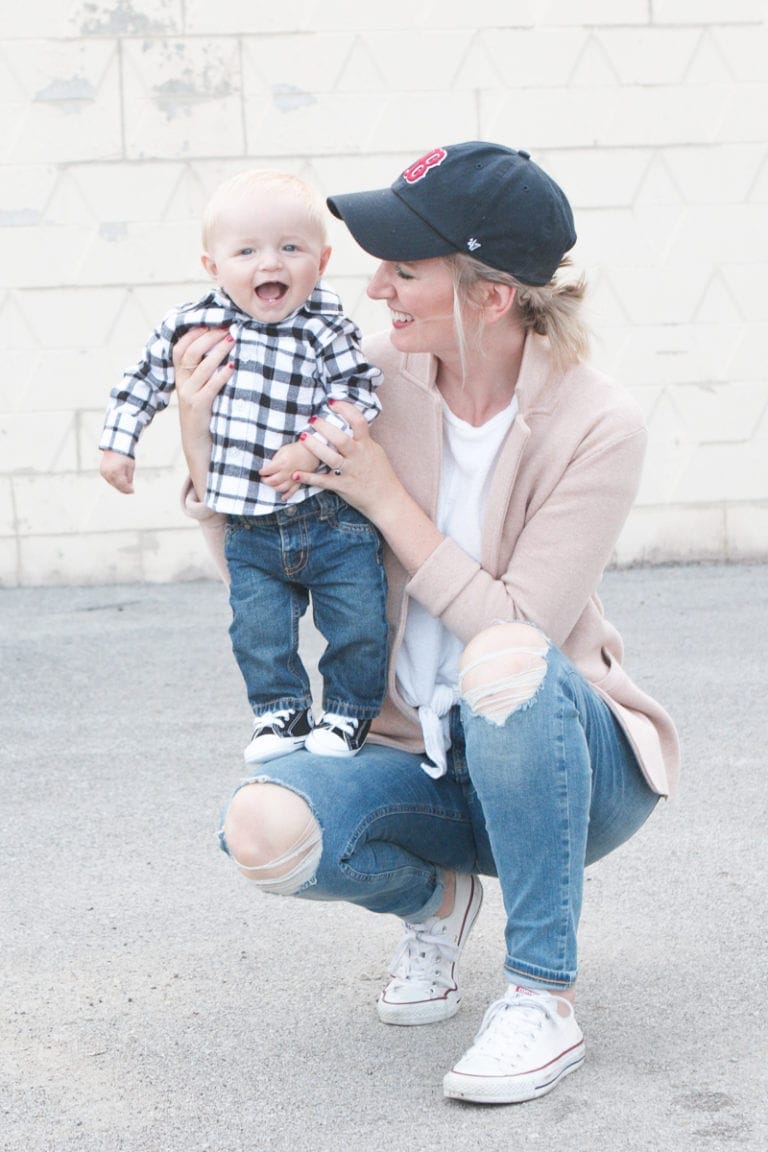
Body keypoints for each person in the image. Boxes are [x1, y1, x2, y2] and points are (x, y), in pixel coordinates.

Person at [175, 142, 679, 1106]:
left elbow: (524, 628)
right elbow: (268, 565)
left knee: (503, 661)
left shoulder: (596, 423)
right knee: (264, 828)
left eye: (405, 270)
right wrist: (199, 440)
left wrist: (382, 495)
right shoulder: (360, 377)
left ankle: (542, 996)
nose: (375, 288)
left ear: (490, 296)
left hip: (571, 765)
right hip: (413, 756)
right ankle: (438, 901)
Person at [99, 170, 387, 762]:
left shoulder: (325, 327)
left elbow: (360, 394)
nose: (269, 263)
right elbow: (143, 381)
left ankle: (348, 713)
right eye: (247, 250)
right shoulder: (194, 324)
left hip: (329, 516)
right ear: (213, 267)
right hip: (249, 527)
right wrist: (118, 443)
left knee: (357, 622)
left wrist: (311, 446)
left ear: (322, 260)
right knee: (258, 632)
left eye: (290, 247)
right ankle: (279, 712)